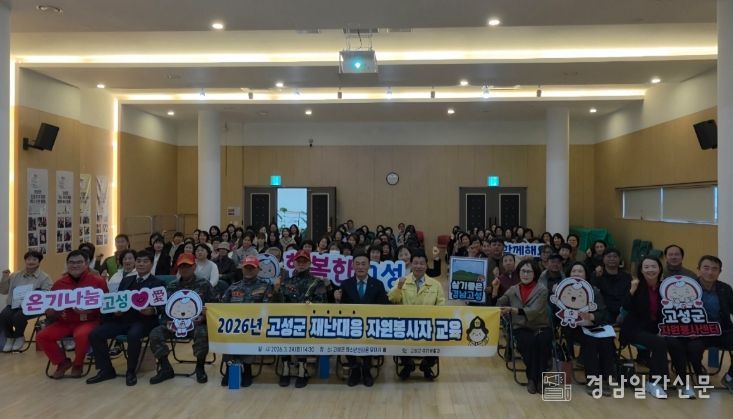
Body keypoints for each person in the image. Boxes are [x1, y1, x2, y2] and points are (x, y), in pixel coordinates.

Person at [87, 251, 164, 386]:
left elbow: (162, 306)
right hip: (123, 319)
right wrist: (116, 311)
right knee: (96, 333)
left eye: (145, 261)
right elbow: (119, 300)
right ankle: (106, 370)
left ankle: (131, 371)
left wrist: (153, 310)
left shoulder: (158, 283)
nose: (141, 264)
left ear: (152, 264)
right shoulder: (127, 280)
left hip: (143, 321)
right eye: (138, 261)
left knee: (133, 335)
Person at [37, 251, 108, 378]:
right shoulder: (59, 283)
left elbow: (106, 304)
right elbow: (52, 306)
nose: (75, 265)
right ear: (67, 264)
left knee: (81, 335)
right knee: (42, 336)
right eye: (71, 262)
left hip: (88, 320)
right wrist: (50, 311)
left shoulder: (98, 281)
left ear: (86, 264)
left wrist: (90, 310)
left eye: (79, 262)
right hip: (65, 321)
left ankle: (78, 364)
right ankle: (62, 362)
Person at [149, 253, 217, 385]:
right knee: (155, 333)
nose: (184, 269)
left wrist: (205, 313)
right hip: (174, 323)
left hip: (196, 323)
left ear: (194, 267)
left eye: (188, 266)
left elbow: (214, 305)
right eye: (181, 267)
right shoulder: (172, 286)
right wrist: (159, 313)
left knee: (202, 333)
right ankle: (165, 368)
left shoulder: (204, 284)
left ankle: (200, 367)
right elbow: (164, 307)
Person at [621, 256, 679, 399]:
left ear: (660, 269)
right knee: (659, 342)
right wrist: (632, 291)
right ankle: (654, 383)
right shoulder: (635, 285)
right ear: (641, 270)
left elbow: (670, 311)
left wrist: (664, 329)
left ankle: (680, 381)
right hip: (635, 329)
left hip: (657, 328)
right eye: (646, 267)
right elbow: (625, 307)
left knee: (674, 341)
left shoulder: (665, 287)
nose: (650, 270)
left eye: (654, 266)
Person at [271, 250, 330, 388]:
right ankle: (285, 368)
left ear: (309, 263)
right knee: (283, 329)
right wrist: (276, 290)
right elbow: (278, 305)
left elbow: (322, 303)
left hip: (308, 321)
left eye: (304, 261)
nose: (301, 264)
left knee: (302, 332)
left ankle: (302, 370)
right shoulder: (286, 282)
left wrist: (310, 305)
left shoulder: (317, 282)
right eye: (299, 261)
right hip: (288, 321)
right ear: (294, 263)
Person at [388, 250, 445, 380]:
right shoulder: (402, 281)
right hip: (405, 325)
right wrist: (398, 287)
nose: (418, 266)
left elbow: (441, 306)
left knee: (438, 338)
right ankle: (408, 365)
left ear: (426, 265)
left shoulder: (435, 285)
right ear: (411, 265)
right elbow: (392, 299)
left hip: (428, 325)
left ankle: (427, 365)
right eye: (416, 263)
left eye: (422, 263)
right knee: (397, 335)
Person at [496, 259, 551, 394]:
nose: (525, 274)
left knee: (543, 342)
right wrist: (495, 290)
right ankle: (532, 378)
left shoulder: (542, 290)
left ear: (535, 273)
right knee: (529, 343)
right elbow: (499, 304)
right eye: (523, 271)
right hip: (520, 327)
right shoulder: (513, 289)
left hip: (541, 326)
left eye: (529, 271)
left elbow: (535, 310)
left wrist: (515, 310)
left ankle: (540, 379)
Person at [334, 252, 388, 387]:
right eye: (357, 264)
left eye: (363, 264)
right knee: (343, 335)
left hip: (371, 325)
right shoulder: (345, 284)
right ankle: (355, 369)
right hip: (351, 326)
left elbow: (384, 307)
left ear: (369, 265)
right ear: (352, 266)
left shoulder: (378, 284)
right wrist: (337, 300)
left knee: (372, 336)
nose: (360, 267)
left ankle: (366, 370)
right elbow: (340, 310)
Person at [563, 263, 616, 396]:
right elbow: (557, 312)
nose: (577, 273)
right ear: (569, 274)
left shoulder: (594, 291)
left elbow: (602, 312)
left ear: (586, 275)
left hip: (592, 325)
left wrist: (592, 317)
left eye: (580, 271)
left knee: (607, 341)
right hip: (572, 328)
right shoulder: (562, 290)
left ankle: (605, 379)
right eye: (574, 271)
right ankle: (592, 380)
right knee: (590, 341)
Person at [219, 255, 273, 387]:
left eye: (252, 268)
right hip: (234, 325)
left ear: (258, 269)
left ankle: (247, 368)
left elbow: (268, 307)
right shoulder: (233, 287)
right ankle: (230, 367)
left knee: (250, 333)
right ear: (242, 269)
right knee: (228, 332)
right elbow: (222, 306)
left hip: (256, 324)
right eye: (246, 268)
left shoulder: (265, 287)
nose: (249, 270)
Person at [694, 255, 733, 392]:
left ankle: (730, 377)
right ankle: (699, 374)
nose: (710, 272)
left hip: (722, 330)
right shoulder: (689, 287)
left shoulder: (725, 288)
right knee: (693, 347)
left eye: (714, 269)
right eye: (706, 268)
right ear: (698, 269)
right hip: (697, 332)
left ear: (719, 272)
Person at [0, 250, 52, 352]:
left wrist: (35, 295)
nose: (31, 261)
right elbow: (4, 291)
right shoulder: (15, 275)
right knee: (4, 315)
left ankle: (19, 336)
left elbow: (47, 293)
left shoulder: (44, 277)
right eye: (28, 259)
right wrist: (5, 277)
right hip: (14, 304)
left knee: (18, 316)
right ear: (25, 261)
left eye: (34, 259)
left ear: (39, 262)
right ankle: (10, 338)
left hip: (33, 305)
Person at [590, 248, 631, 323]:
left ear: (619, 259)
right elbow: (593, 295)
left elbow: (629, 296)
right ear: (603, 259)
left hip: (623, 313)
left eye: (615, 256)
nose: (612, 259)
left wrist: (623, 312)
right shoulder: (597, 275)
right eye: (609, 256)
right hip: (604, 313)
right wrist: (597, 277)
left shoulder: (627, 276)